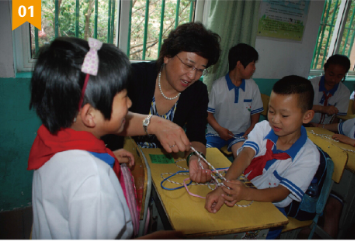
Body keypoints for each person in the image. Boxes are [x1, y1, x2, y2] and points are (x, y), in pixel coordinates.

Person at [28, 37, 187, 239]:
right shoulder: (92, 180)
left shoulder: (51, 141)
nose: (130, 104)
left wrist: (103, 155)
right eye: (123, 97)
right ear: (89, 115)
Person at [103, 22, 221, 183]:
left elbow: (197, 136)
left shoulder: (197, 92)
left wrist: (195, 157)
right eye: (188, 65)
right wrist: (153, 124)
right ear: (167, 56)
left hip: (163, 169)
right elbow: (110, 121)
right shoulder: (134, 77)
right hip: (123, 162)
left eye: (200, 69)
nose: (192, 75)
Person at [205, 76, 320, 239]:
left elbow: (281, 192)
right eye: (271, 111)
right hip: (245, 189)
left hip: (271, 205)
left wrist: (245, 194)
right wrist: (224, 186)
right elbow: (245, 155)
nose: (275, 120)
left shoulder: (309, 156)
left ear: (307, 116)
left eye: (284, 115)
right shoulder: (263, 128)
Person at [206, 43, 263, 158]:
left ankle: (234, 176)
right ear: (239, 64)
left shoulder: (252, 86)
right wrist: (219, 129)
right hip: (216, 133)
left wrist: (251, 128)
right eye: (252, 64)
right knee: (206, 157)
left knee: (243, 157)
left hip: (240, 134)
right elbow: (208, 113)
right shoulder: (218, 86)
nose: (254, 68)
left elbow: (256, 112)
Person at [310, 54, 351, 125]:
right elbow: (301, 107)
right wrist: (322, 108)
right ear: (325, 69)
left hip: (325, 128)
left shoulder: (344, 92)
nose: (333, 79)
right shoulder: (311, 85)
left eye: (339, 76)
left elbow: (337, 118)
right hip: (305, 125)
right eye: (331, 74)